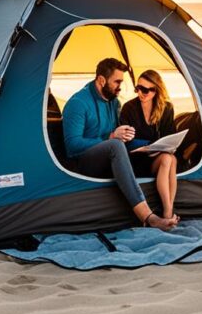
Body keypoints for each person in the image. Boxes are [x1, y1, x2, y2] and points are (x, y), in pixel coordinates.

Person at [62, 58, 177, 230]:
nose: (120, 87)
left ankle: (167, 212)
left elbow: (121, 139)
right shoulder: (78, 103)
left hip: (113, 160)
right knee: (115, 145)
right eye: (117, 81)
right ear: (101, 80)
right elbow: (72, 146)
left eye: (121, 82)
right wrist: (111, 137)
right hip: (84, 162)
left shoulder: (115, 103)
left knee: (163, 157)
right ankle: (148, 217)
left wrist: (149, 146)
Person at [119, 70, 179, 224]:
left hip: (158, 158)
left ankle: (167, 211)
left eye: (146, 90)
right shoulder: (129, 108)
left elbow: (170, 136)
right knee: (168, 159)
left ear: (156, 90)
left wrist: (166, 147)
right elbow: (125, 142)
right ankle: (168, 214)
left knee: (170, 158)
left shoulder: (166, 108)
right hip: (136, 159)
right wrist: (148, 146)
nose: (141, 93)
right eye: (138, 88)